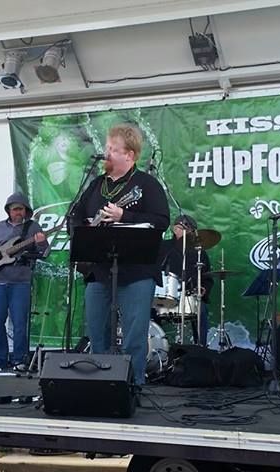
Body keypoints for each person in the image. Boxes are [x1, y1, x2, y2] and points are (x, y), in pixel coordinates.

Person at [70, 123, 170, 385]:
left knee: (134, 335)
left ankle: (133, 385)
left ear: (130, 154)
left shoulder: (146, 184)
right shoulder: (96, 185)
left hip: (137, 271)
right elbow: (75, 216)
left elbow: (162, 221)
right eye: (107, 147)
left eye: (113, 149)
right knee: (96, 331)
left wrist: (125, 216)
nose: (107, 153)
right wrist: (83, 230)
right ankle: (100, 384)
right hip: (99, 270)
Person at [0, 192, 49, 373]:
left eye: (21, 209)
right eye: (15, 209)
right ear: (8, 211)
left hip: (21, 282)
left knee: (20, 323)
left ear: (26, 211)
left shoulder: (33, 228)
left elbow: (45, 252)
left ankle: (20, 359)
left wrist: (41, 243)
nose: (18, 212)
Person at [158, 215, 213, 344]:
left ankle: (201, 347)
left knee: (201, 309)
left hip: (189, 297)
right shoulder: (163, 247)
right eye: (180, 228)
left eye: (188, 230)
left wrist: (203, 288)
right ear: (174, 229)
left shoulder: (199, 252)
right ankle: (154, 347)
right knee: (148, 310)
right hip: (164, 297)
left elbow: (207, 278)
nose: (184, 232)